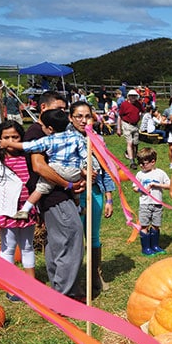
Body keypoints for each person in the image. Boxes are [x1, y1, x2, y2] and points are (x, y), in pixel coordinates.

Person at [24, 91, 86, 301]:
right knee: (72, 235)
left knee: (57, 241)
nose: (63, 114)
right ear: (44, 109)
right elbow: (39, 166)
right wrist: (69, 184)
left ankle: (60, 288)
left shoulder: (57, 133)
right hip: (55, 195)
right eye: (59, 109)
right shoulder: (37, 133)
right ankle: (65, 295)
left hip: (57, 194)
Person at [5, 109, 93, 221]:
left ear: (50, 128)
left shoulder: (48, 140)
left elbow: (28, 146)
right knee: (76, 191)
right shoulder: (76, 136)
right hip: (73, 170)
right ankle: (78, 207)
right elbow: (84, 154)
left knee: (41, 188)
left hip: (56, 169)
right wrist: (86, 168)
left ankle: (25, 210)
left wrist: (8, 143)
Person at [69, 101, 115, 295]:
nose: (83, 120)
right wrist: (80, 172)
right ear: (71, 118)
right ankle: (76, 280)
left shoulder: (97, 139)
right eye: (78, 116)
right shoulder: (65, 139)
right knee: (76, 237)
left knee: (94, 236)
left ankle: (95, 275)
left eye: (87, 116)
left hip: (95, 192)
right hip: (74, 194)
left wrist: (109, 198)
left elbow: (106, 170)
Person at [0, 120, 37, 292]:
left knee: (27, 246)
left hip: (27, 209)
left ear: (21, 138)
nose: (10, 140)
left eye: (15, 137)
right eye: (6, 137)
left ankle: (31, 283)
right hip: (6, 211)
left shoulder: (28, 158)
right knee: (8, 247)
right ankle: (10, 286)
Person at [133, 147, 170, 256]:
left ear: (153, 162)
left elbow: (169, 185)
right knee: (144, 225)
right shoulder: (140, 174)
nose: (141, 166)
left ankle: (155, 246)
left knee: (156, 225)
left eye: (144, 163)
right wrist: (142, 190)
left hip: (157, 204)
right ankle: (146, 248)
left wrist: (157, 185)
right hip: (145, 204)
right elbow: (134, 188)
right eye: (139, 163)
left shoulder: (160, 173)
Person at [117, 89, 143, 169]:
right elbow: (119, 116)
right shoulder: (124, 105)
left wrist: (140, 117)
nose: (133, 98)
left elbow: (142, 111)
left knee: (135, 143)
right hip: (127, 124)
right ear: (128, 97)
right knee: (130, 142)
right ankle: (132, 162)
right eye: (131, 96)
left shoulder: (138, 104)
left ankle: (131, 154)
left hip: (135, 125)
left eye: (134, 96)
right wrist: (119, 128)